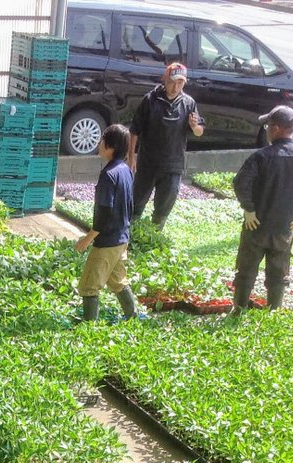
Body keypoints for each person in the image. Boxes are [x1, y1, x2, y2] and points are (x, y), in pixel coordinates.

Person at [230, 105, 293, 313]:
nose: (266, 129)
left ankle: (239, 310)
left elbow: (240, 183)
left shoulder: (261, 156)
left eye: (267, 125)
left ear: (275, 129)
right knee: (279, 270)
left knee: (247, 269)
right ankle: (274, 310)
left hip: (256, 224)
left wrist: (248, 209)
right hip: (285, 226)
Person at [126, 62, 204, 229]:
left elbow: (199, 131)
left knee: (162, 210)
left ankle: (154, 237)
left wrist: (194, 126)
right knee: (136, 205)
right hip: (148, 164)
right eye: (172, 82)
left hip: (173, 167)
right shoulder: (150, 100)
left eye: (180, 83)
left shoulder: (188, 103)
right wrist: (131, 157)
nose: (176, 87)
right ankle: (127, 236)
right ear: (165, 79)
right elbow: (135, 130)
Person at [75, 123, 138, 322]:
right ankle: (132, 316)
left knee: (89, 285)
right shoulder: (126, 170)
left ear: (110, 147)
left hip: (108, 241)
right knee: (117, 280)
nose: (99, 143)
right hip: (122, 238)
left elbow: (103, 213)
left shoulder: (108, 175)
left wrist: (87, 239)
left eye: (102, 140)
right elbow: (130, 206)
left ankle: (88, 326)